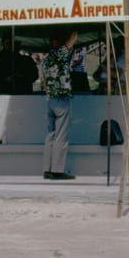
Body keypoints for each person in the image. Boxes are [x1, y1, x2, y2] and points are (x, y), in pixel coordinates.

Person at [42, 31, 79, 180]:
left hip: (50, 98)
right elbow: (70, 43)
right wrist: (73, 33)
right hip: (61, 98)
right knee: (61, 136)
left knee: (50, 135)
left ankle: (47, 169)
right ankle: (58, 170)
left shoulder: (46, 59)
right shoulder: (59, 55)